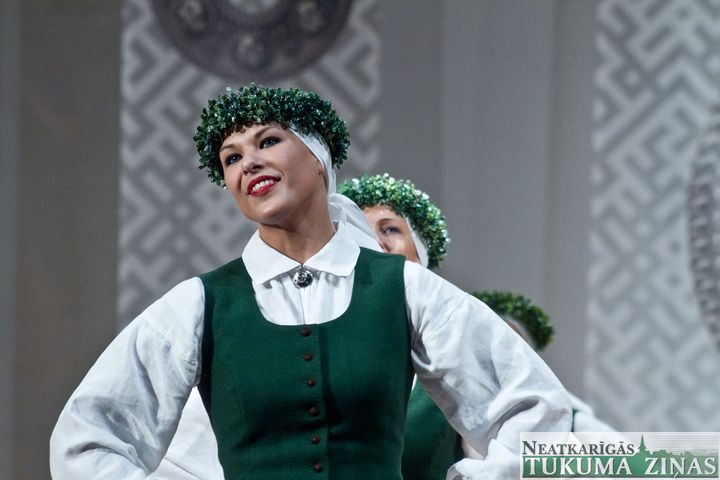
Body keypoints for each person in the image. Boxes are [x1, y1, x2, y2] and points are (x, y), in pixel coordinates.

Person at [49, 85, 572, 479]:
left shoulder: (405, 289)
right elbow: (88, 438)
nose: (249, 161)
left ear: (319, 158)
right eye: (232, 157)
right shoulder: (200, 304)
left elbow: (535, 411)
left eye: (268, 141)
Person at [339, 173, 614, 478]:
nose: (373, 240)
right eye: (359, 229)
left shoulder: (448, 358)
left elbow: (604, 452)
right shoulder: (324, 345)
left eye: (390, 229)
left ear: (421, 255)